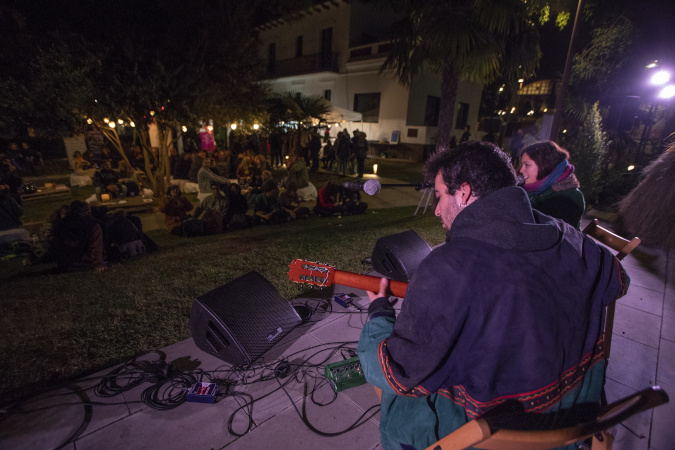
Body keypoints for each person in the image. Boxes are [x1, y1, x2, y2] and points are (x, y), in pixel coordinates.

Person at [357, 141, 629, 450]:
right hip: (570, 421)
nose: (435, 209)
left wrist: (379, 313)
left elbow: (397, 372)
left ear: (464, 192)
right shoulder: (570, 237)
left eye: (439, 195)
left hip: (492, 434)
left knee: (397, 399)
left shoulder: (447, 268)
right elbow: (619, 281)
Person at [519, 141, 585, 230]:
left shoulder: (570, 198)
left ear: (545, 165)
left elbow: (546, 235)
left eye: (527, 165)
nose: (521, 170)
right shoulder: (527, 187)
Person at [50, 201, 106, 272]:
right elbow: (96, 245)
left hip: (67, 261)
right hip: (85, 260)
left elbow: (56, 244)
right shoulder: (93, 225)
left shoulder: (61, 223)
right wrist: (98, 264)